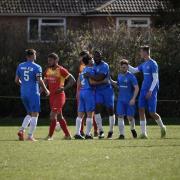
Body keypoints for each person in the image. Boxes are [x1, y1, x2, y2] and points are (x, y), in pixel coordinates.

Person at [129, 45, 166, 139]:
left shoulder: (153, 63)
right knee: (141, 109)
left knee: (152, 112)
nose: (140, 53)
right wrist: (125, 64)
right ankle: (144, 133)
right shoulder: (143, 64)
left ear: (145, 52)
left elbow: (155, 79)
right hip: (143, 90)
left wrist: (150, 91)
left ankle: (162, 127)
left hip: (151, 91)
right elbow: (134, 71)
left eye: (141, 51)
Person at [15, 49, 50, 141]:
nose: (35, 56)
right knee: (35, 114)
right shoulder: (37, 67)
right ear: (32, 56)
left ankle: (21, 130)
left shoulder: (20, 66)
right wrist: (46, 90)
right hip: (33, 93)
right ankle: (30, 136)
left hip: (23, 93)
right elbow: (39, 80)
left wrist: (24, 85)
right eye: (34, 54)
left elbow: (16, 80)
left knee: (29, 113)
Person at [44, 53, 76, 140]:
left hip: (60, 96)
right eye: (48, 60)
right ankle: (68, 135)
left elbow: (72, 80)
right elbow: (45, 82)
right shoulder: (48, 70)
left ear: (56, 60)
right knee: (59, 117)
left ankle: (50, 136)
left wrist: (63, 89)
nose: (49, 62)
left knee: (52, 115)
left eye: (51, 60)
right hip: (52, 97)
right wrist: (39, 91)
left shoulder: (61, 70)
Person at [85, 50, 115, 139]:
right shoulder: (93, 66)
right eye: (95, 57)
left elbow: (99, 77)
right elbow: (92, 83)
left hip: (107, 90)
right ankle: (101, 131)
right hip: (98, 91)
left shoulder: (105, 65)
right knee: (97, 109)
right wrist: (100, 81)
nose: (96, 58)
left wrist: (91, 76)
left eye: (98, 56)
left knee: (110, 109)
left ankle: (111, 131)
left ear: (101, 57)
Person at [76, 51, 98, 137]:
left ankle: (77, 133)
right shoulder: (91, 70)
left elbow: (80, 82)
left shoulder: (83, 70)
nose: (93, 60)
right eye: (91, 59)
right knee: (90, 114)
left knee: (80, 114)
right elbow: (92, 82)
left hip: (82, 92)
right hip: (89, 92)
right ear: (88, 61)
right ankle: (88, 134)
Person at [115, 59, 139, 139]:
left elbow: (136, 88)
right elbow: (118, 85)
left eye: (124, 67)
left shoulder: (131, 76)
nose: (123, 69)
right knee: (120, 116)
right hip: (121, 100)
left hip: (129, 100)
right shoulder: (119, 75)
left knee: (130, 117)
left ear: (128, 67)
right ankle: (121, 134)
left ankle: (132, 129)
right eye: (122, 67)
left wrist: (133, 99)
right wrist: (111, 81)